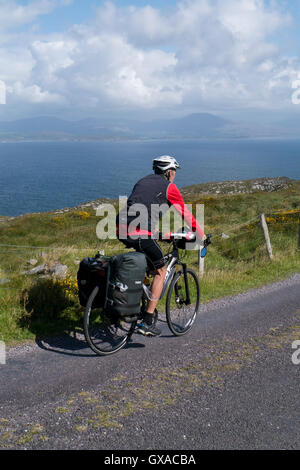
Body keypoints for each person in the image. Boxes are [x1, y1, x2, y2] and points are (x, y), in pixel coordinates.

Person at [116, 155, 206, 336]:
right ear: (170, 172)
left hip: (121, 228)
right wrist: (201, 235)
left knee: (148, 260)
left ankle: (138, 297)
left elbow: (143, 209)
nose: (175, 176)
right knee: (160, 270)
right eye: (174, 172)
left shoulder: (142, 181)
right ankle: (147, 320)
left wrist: (158, 234)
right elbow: (185, 213)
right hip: (139, 231)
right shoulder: (169, 187)